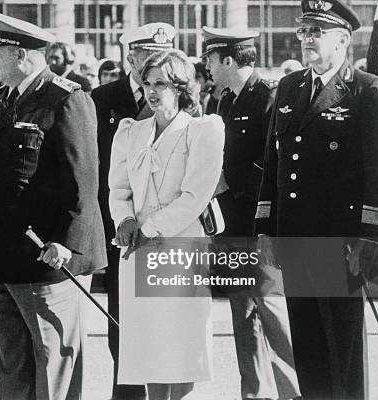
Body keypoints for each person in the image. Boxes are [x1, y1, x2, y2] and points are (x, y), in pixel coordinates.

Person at [0, 11, 106, 400]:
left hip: (44, 259)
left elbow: (83, 181)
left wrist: (68, 243)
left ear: (21, 55)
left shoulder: (66, 100)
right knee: (13, 362)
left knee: (53, 360)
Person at [255, 1, 378, 398]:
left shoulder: (367, 91)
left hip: (339, 241)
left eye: (317, 31)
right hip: (294, 235)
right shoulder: (291, 87)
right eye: (303, 31)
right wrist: (265, 228)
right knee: (308, 344)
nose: (307, 39)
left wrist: (367, 237)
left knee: (341, 350)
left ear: (343, 39)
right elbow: (274, 161)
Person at [109, 49, 224, 400]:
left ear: (181, 86)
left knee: (182, 345)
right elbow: (118, 187)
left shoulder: (202, 129)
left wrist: (149, 228)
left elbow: (195, 195)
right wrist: (125, 219)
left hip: (181, 247)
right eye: (147, 83)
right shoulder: (131, 131)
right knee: (149, 347)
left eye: (161, 83)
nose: (152, 91)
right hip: (138, 252)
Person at [202, 27, 301, 400]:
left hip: (259, 226)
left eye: (211, 59)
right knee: (243, 317)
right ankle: (255, 392)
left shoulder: (270, 97)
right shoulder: (224, 101)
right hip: (231, 226)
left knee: (272, 313)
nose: (207, 66)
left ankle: (299, 390)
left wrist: (230, 180)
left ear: (229, 59)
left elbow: (277, 164)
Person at [90, 21, 175, 400]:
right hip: (119, 225)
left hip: (167, 227)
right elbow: (91, 168)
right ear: (131, 57)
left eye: (163, 54)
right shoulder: (102, 98)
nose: (156, 63)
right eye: (148, 55)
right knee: (122, 319)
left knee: (165, 321)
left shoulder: (181, 94)